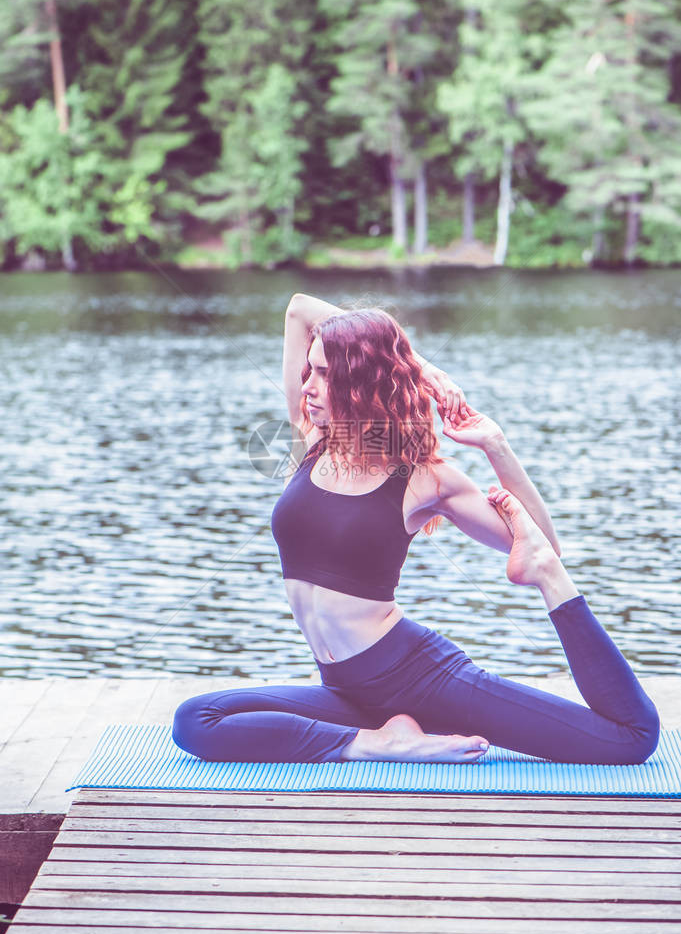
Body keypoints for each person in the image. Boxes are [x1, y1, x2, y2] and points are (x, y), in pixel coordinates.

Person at [172, 292, 659, 766]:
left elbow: (542, 544)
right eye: (309, 371)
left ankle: (387, 736)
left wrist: (495, 446)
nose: (307, 387)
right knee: (196, 719)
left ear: (359, 381)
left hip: (418, 677)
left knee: (629, 739)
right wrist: (421, 364)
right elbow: (300, 307)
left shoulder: (422, 476)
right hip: (345, 688)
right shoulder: (313, 438)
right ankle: (377, 742)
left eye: (323, 374)